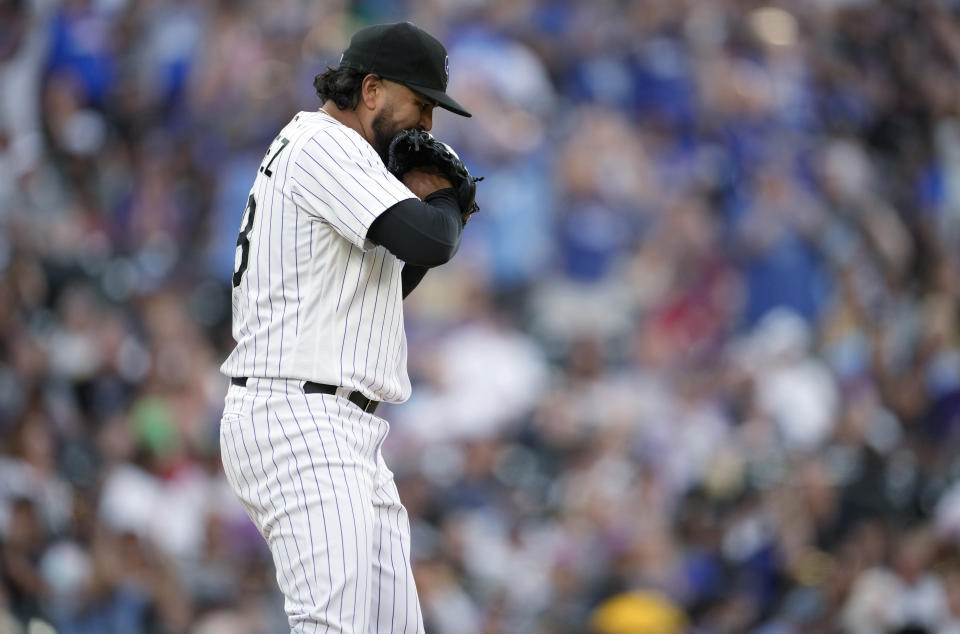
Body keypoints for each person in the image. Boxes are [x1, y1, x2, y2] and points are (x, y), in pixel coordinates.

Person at [217, 22, 474, 633]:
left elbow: (397, 277)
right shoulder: (323, 142)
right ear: (374, 89)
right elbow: (430, 240)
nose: (429, 126)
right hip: (300, 420)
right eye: (422, 104)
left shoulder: (347, 160)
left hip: (339, 425)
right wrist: (444, 203)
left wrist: (441, 210)